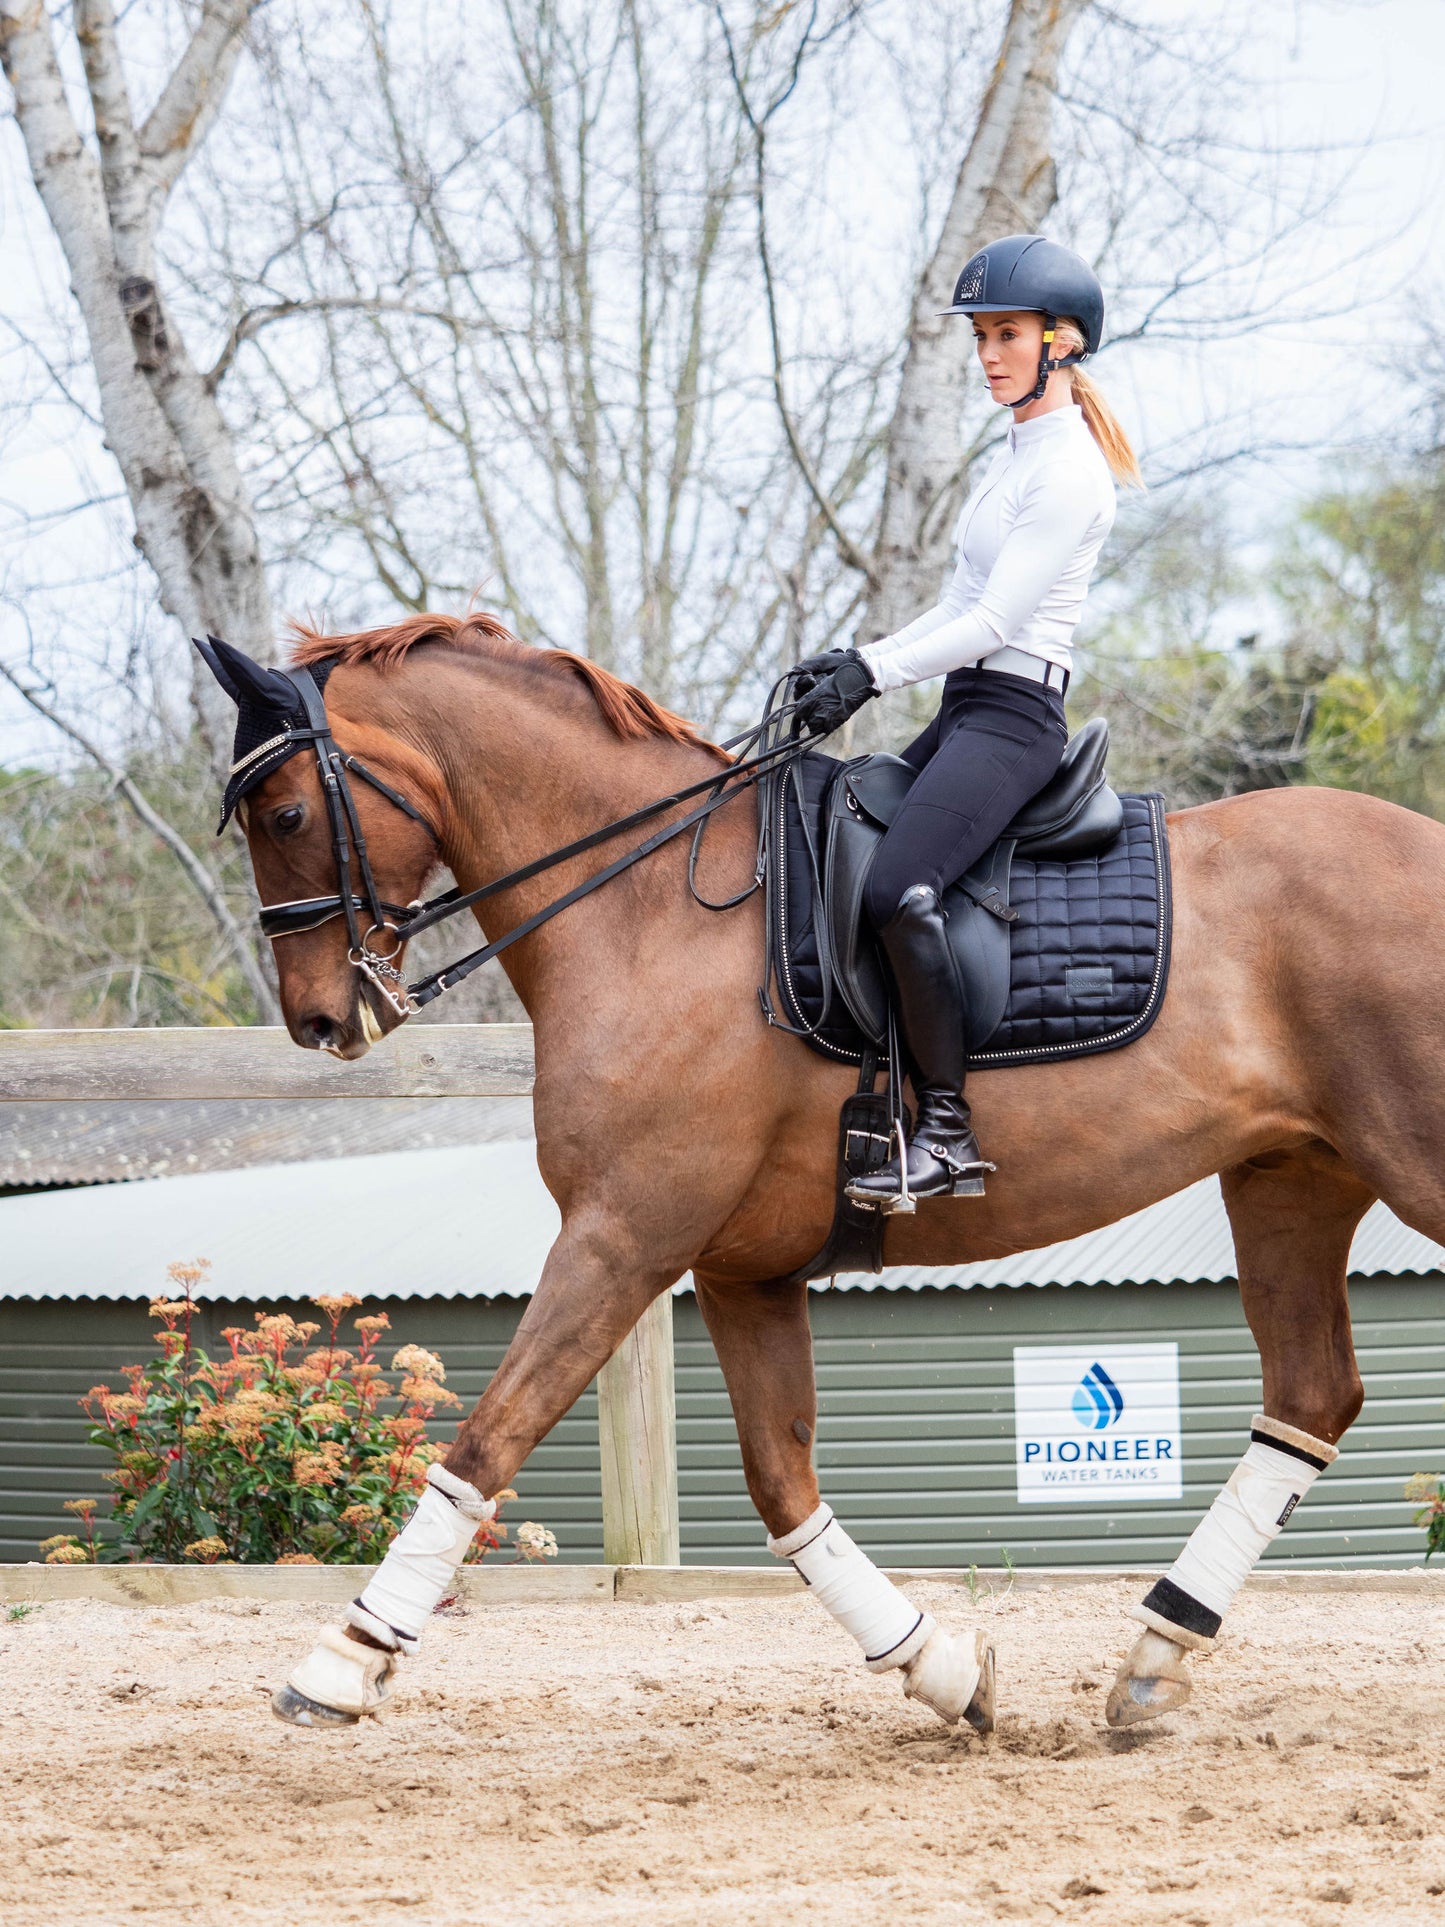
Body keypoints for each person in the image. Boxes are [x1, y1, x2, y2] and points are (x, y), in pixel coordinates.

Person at [792, 233, 1141, 1203]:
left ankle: (944, 1132)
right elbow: (953, 610)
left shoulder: (1067, 473)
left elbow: (993, 622)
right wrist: (853, 657)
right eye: (980, 336)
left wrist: (870, 673)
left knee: (899, 889)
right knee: (848, 844)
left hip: (1014, 718)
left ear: (1060, 343)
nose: (986, 354)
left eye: (1006, 335)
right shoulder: (1011, 457)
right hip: (963, 708)